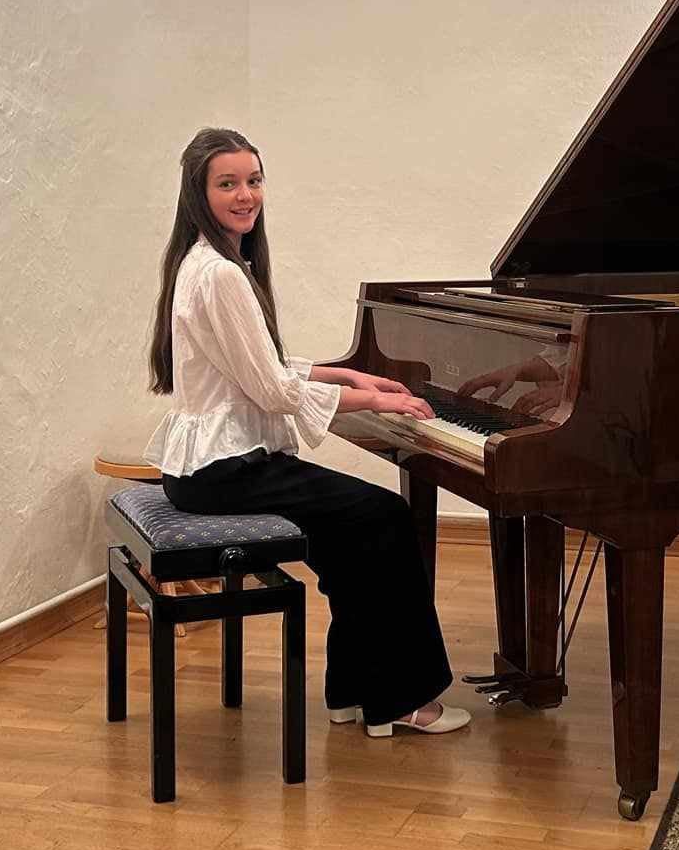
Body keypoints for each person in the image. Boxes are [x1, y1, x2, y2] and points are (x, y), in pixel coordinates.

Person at [143, 126, 469, 737]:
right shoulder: (220, 274)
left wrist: (342, 373)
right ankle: (402, 699)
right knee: (385, 517)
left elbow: (258, 366)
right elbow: (273, 391)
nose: (246, 195)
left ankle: (355, 694)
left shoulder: (205, 262)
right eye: (227, 184)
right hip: (225, 470)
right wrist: (373, 398)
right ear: (198, 194)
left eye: (253, 180)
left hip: (209, 468)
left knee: (352, 539)